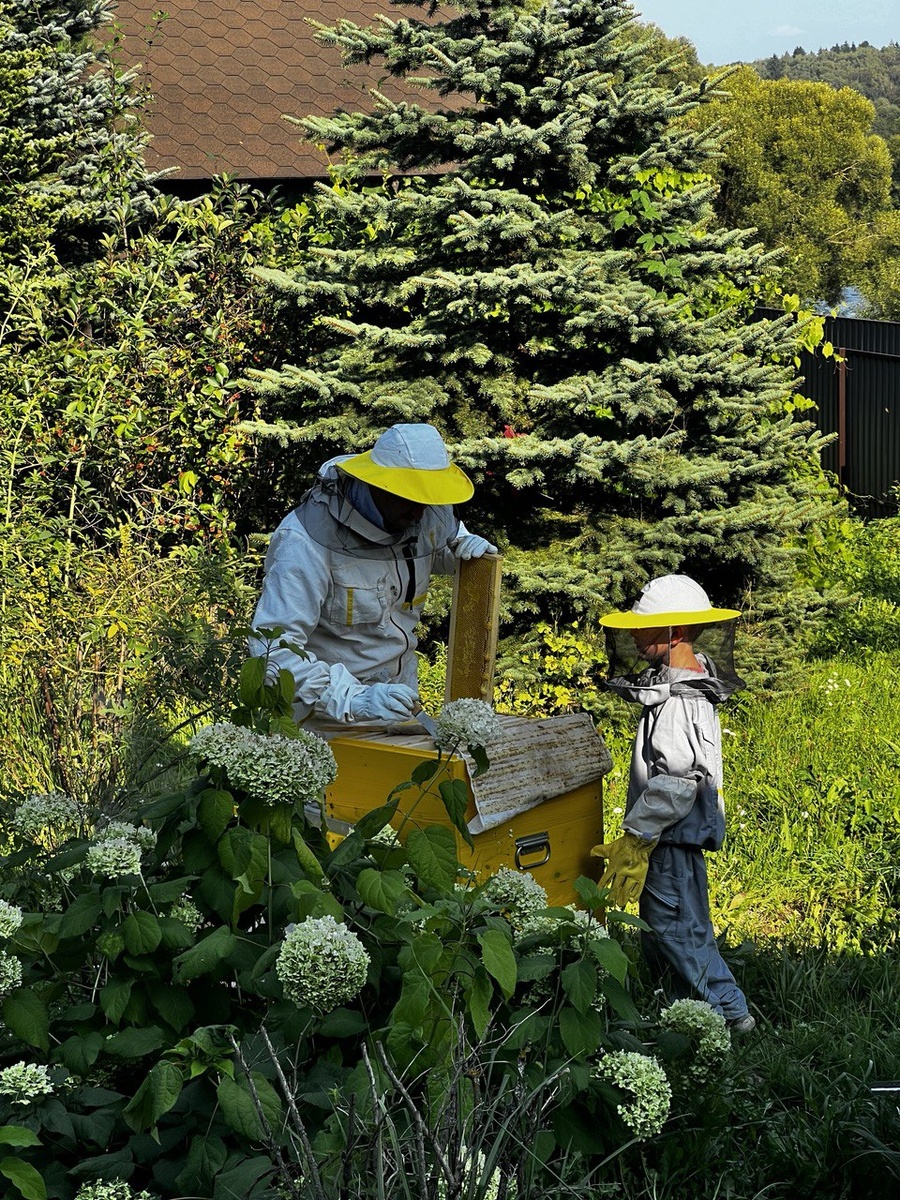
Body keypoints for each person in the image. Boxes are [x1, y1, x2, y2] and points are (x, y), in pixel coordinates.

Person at [591, 575, 755, 1033]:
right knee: (670, 922)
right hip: (673, 836)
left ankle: (728, 1014)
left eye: (645, 629)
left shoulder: (680, 702)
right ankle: (680, 1007)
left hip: (668, 836)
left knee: (676, 927)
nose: (635, 636)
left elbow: (678, 783)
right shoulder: (686, 684)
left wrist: (638, 837)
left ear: (675, 635)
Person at [250, 423, 496, 727]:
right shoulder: (303, 541)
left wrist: (466, 554)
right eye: (410, 498)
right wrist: (353, 698)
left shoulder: (419, 515)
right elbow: (272, 650)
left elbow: (436, 549)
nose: (419, 513)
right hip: (323, 720)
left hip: (400, 706)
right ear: (378, 485)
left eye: (427, 500)